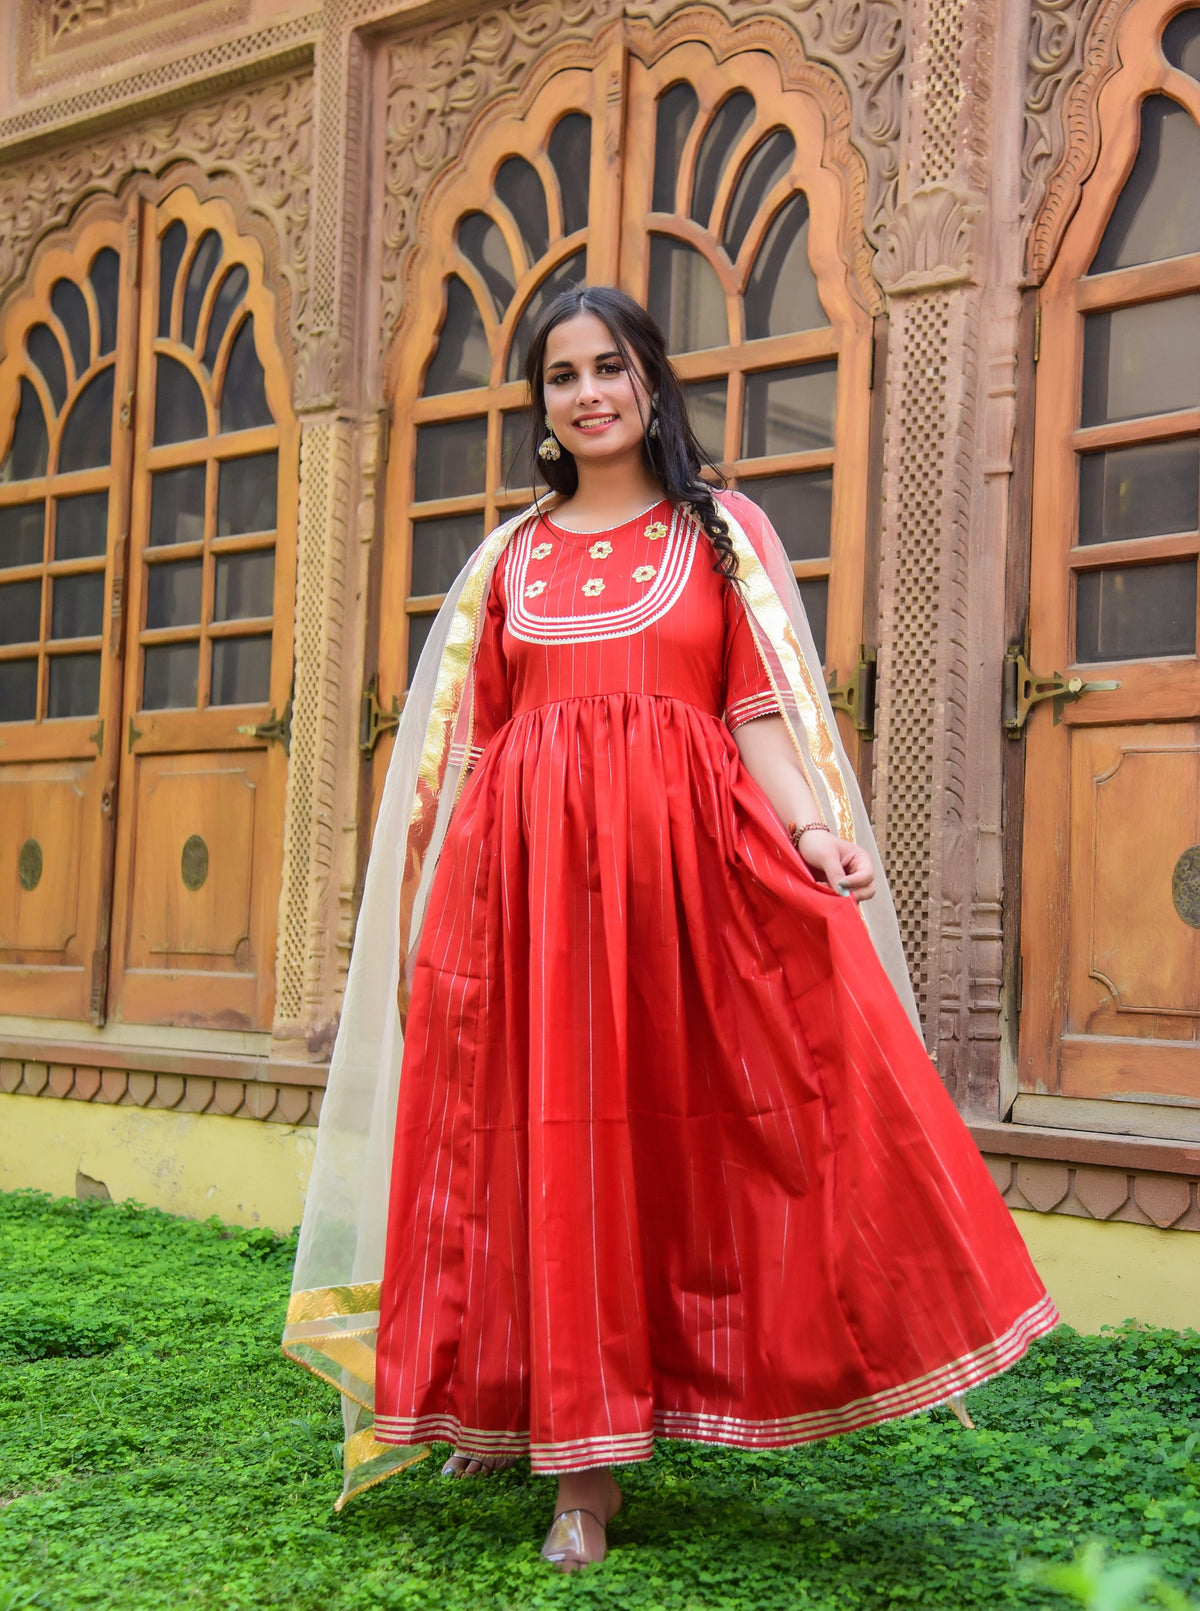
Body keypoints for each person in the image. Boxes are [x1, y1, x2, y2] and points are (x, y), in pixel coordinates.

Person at [283, 286, 1057, 1570]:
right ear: (540, 406)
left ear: (652, 383)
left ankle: (634, 1415)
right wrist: (450, 913)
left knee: (671, 1142)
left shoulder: (720, 534)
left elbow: (756, 714)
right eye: (561, 376)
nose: (587, 394)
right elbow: (470, 746)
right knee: (533, 1145)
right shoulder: (508, 561)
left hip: (680, 904)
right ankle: (556, 1440)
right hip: (526, 900)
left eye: (610, 368)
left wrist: (814, 831)